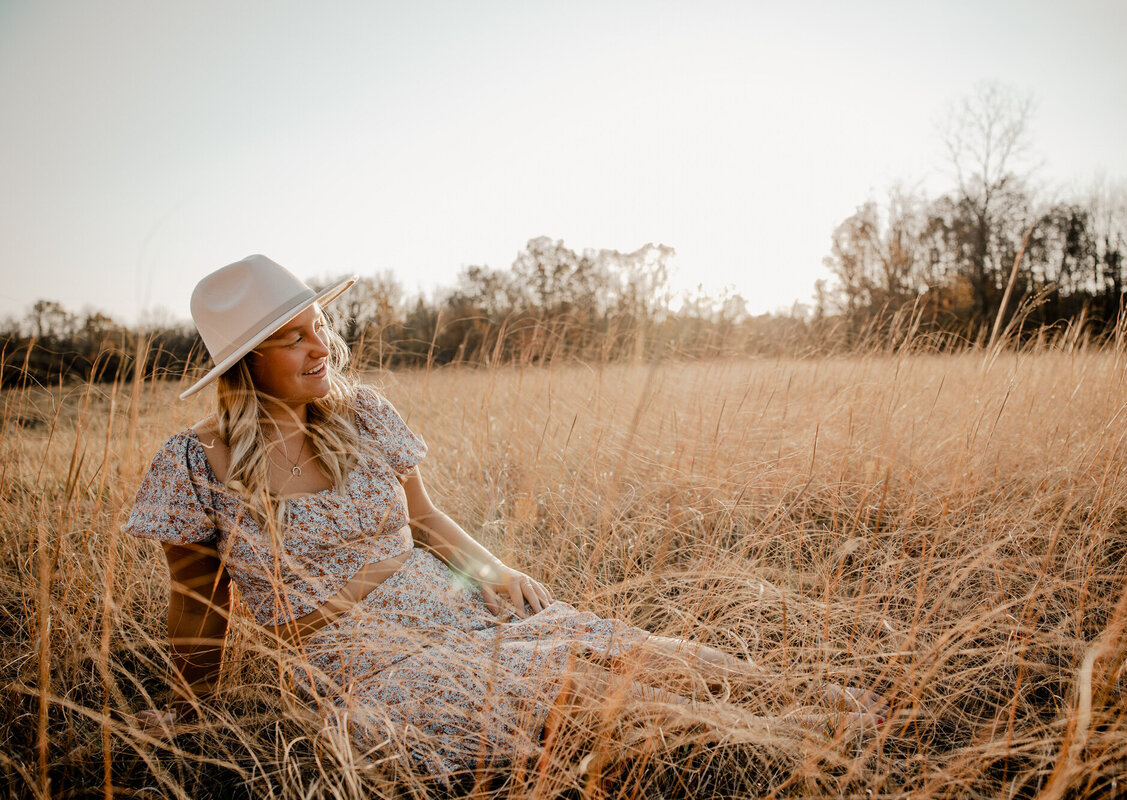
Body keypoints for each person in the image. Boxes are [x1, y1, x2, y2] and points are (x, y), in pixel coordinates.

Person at [126, 255, 884, 781]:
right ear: (245, 361)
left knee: (603, 639)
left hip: (452, 600)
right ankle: (779, 743)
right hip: (361, 659)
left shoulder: (364, 414)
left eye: (318, 322)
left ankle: (794, 699)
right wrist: (186, 712)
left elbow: (423, 518)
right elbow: (197, 606)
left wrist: (495, 571)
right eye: (291, 337)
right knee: (564, 678)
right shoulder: (193, 465)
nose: (320, 345)